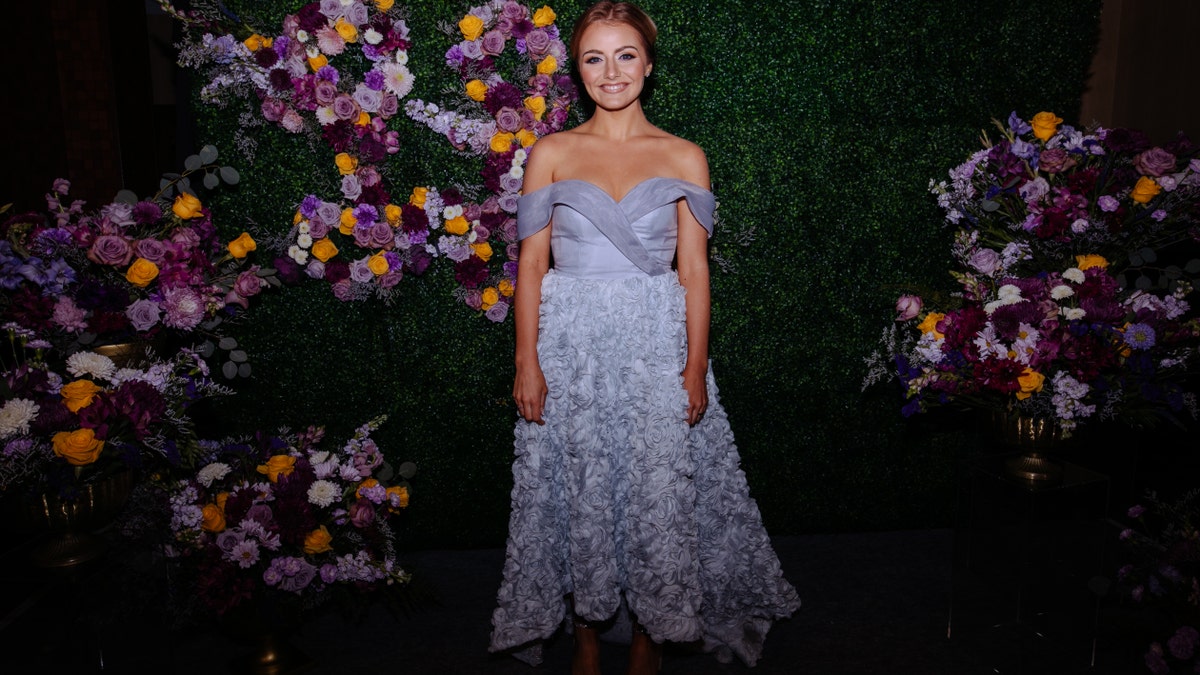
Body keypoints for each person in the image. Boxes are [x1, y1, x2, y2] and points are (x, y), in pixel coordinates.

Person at [489, 2, 800, 672]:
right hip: (570, 347)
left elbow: (693, 269)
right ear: (578, 69)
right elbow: (532, 265)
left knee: (655, 492)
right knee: (578, 485)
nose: (611, 71)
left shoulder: (685, 156)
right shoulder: (551, 152)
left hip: (654, 346)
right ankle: (587, 637)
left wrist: (692, 367)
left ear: (649, 65)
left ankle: (648, 638)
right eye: (594, 57)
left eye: (625, 55)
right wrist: (526, 361)